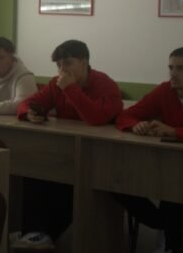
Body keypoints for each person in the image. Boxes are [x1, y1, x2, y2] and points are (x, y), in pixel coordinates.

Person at [12, 39, 123, 250]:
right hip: (65, 150)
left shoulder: (105, 85)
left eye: (68, 63)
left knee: (66, 181)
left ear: (84, 62)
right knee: (32, 170)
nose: (63, 70)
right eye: (59, 65)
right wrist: (30, 113)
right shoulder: (57, 83)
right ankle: (34, 233)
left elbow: (96, 118)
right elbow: (26, 103)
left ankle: (46, 234)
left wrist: (70, 89)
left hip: (100, 157)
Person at [113, 46, 183, 253]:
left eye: (181, 68)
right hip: (167, 166)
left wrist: (175, 132)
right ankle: (166, 233)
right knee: (115, 184)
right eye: (171, 68)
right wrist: (135, 125)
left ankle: (173, 244)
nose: (173, 73)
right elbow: (126, 115)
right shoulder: (164, 91)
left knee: (178, 194)